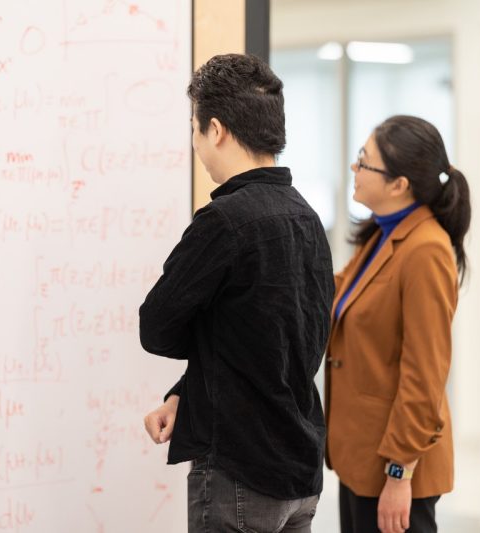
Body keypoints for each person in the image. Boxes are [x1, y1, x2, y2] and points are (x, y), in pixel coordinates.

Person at [139, 53, 334, 533]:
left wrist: (205, 356)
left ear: (217, 130)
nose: (195, 143)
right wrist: (189, 390)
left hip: (240, 472)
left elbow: (156, 326)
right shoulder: (306, 218)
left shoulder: (225, 221)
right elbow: (277, 342)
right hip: (300, 466)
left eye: (194, 127)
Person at [326, 115, 471, 533]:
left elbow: (425, 374)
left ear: (398, 185)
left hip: (396, 465)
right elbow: (338, 299)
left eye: (364, 161)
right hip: (362, 455)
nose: (354, 169)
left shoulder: (426, 250)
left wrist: (398, 474)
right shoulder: (383, 235)